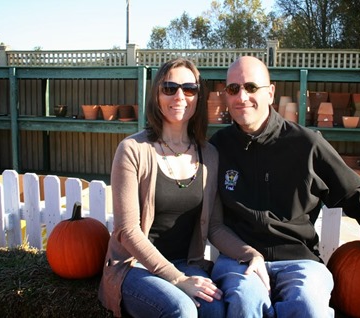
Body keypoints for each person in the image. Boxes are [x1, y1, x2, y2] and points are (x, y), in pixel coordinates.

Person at [208, 56, 360, 318]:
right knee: (245, 303)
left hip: (300, 261)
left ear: (271, 93)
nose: (242, 96)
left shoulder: (306, 145)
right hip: (240, 260)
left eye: (251, 87)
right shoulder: (217, 147)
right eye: (233, 89)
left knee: (309, 307)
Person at [98, 58, 252, 318]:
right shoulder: (133, 150)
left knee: (215, 307)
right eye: (169, 88)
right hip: (135, 267)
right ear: (157, 95)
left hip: (185, 263)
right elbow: (128, 231)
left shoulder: (209, 155)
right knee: (181, 310)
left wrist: (250, 255)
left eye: (189, 89)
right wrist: (177, 279)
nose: (180, 96)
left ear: (197, 97)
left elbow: (214, 226)